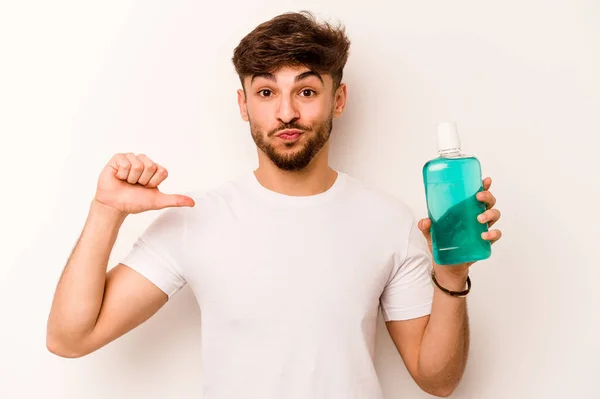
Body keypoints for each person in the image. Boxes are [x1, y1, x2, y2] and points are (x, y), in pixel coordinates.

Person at [46, 11, 502, 399]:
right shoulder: (195, 218)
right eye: (266, 92)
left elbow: (437, 379)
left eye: (306, 91)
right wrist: (106, 211)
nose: (286, 112)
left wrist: (451, 274)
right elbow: (70, 338)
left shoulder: (388, 221)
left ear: (337, 99)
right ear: (244, 105)